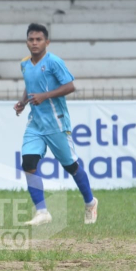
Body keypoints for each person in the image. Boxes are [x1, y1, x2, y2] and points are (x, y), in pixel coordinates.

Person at [14, 23, 98, 226]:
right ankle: (42, 212)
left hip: (56, 123)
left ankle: (90, 202)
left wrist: (45, 96)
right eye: (31, 39)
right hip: (35, 124)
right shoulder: (25, 64)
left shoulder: (54, 62)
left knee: (71, 166)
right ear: (27, 42)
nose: (34, 43)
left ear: (46, 42)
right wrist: (23, 103)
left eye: (38, 39)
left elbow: (70, 86)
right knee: (28, 163)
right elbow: (29, 85)